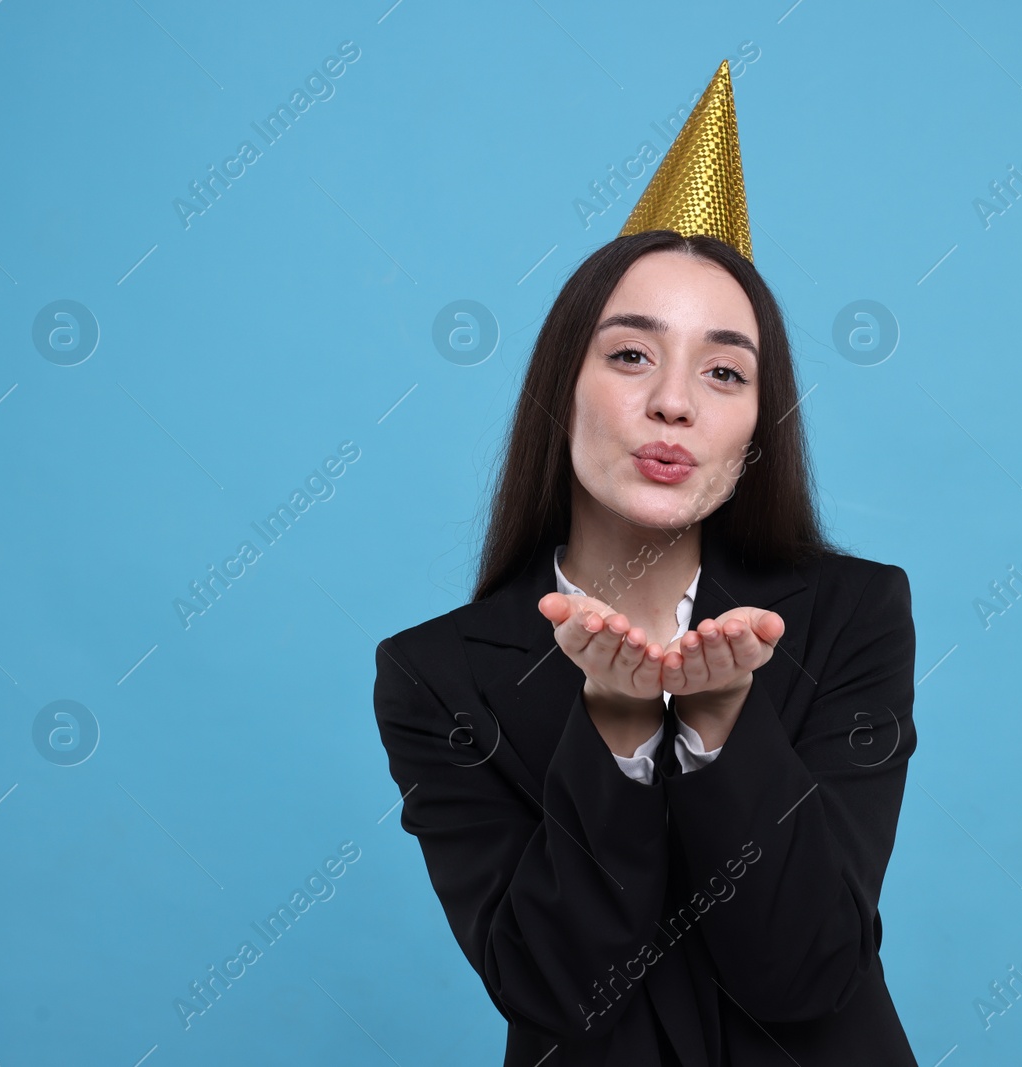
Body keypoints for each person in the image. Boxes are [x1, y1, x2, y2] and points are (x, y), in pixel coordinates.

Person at [372, 61, 920, 1066]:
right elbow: (553, 989)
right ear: (561, 385)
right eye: (631, 355)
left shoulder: (853, 614)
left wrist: (722, 732)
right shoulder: (435, 676)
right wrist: (616, 739)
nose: (674, 402)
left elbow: (808, 971)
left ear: (756, 427)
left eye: (723, 371)